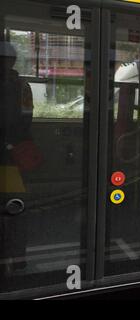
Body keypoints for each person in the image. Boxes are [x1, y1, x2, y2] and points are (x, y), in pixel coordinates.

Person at [0, 41, 36, 280]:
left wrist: (9, 143)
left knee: (14, 207)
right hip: (10, 153)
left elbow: (26, 120)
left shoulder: (22, 86)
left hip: (10, 156)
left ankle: (16, 258)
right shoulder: (23, 86)